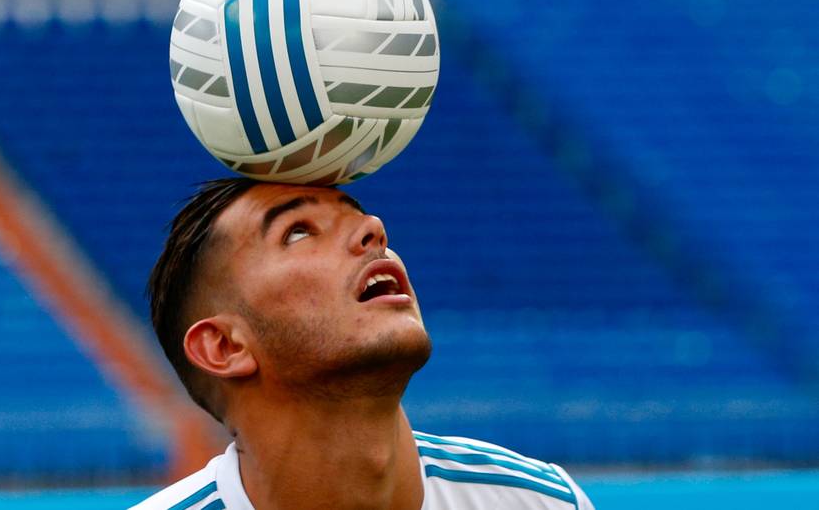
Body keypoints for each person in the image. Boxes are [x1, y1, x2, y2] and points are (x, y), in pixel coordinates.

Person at [132, 178, 594, 510]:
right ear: (224, 347)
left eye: (356, 213)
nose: (373, 228)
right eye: (298, 231)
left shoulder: (541, 502)